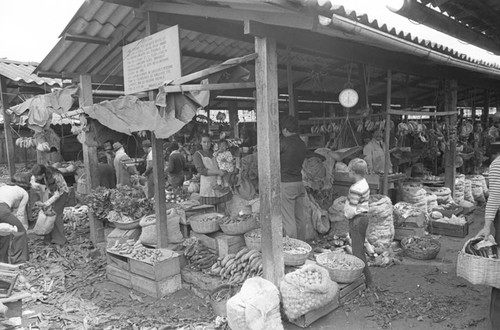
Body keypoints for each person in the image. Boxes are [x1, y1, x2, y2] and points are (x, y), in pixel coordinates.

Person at [477, 152, 500, 328]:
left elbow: (495, 196)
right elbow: (495, 197)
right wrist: (487, 226)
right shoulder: (497, 165)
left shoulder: (497, 164)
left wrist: (487, 226)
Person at [343, 158, 373, 287]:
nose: (348, 173)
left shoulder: (355, 188)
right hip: (363, 218)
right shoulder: (364, 183)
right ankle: (365, 279)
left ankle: (368, 280)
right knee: (359, 248)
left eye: (349, 171)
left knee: (358, 251)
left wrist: (345, 212)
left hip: (357, 220)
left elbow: (351, 211)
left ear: (354, 172)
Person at [279, 115, 307, 239]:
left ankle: (292, 247)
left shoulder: (282, 143)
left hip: (286, 184)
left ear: (285, 129)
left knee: (288, 219)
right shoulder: (302, 143)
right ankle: (302, 244)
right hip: (299, 183)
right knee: (300, 218)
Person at [31, 164, 69, 246]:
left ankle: (60, 240)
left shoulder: (55, 177)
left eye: (37, 176)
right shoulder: (43, 172)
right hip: (52, 191)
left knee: (56, 216)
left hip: (62, 193)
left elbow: (57, 195)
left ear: (43, 174)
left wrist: (45, 203)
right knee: (49, 213)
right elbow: (33, 179)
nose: (36, 178)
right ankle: (50, 237)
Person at [193, 134, 232, 211]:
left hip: (220, 183)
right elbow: (201, 171)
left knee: (222, 208)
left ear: (211, 142)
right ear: (200, 143)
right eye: (204, 142)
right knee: (210, 211)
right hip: (208, 185)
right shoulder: (197, 154)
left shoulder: (215, 152)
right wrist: (218, 172)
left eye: (208, 142)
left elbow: (224, 164)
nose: (207, 144)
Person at [0, 175, 30, 264]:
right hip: (2, 209)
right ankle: (19, 260)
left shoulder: (5, 187)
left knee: (3, 233)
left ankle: (2, 261)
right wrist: (23, 226)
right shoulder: (24, 193)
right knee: (20, 232)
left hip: (3, 209)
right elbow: (20, 213)